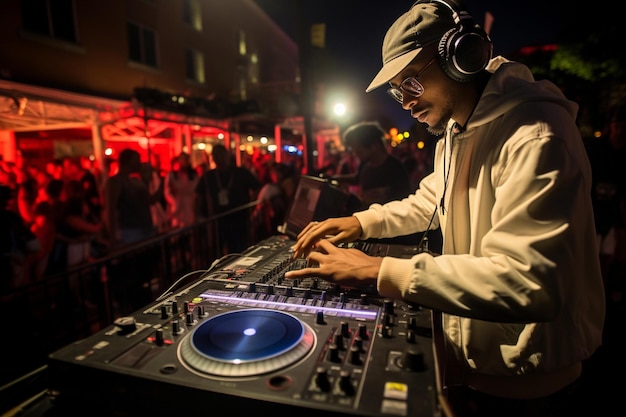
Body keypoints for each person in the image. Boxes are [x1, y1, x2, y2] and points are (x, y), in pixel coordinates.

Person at [286, 1, 605, 416]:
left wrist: (378, 271)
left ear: (461, 56)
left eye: (412, 84)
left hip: (529, 382)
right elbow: (428, 201)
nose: (405, 101)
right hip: (481, 369)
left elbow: (530, 282)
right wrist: (361, 222)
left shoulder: (536, 136)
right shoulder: (457, 130)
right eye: (396, 91)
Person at [195, 144, 261, 255]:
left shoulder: (241, 173)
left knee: (239, 250)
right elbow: (198, 196)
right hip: (218, 221)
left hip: (239, 219)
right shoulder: (209, 176)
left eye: (221, 155)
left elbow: (257, 187)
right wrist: (198, 215)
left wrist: (251, 205)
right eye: (216, 155)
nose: (219, 158)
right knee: (217, 253)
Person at [332, 121, 411, 210]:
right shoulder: (365, 163)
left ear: (375, 146)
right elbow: (358, 178)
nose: (355, 154)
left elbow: (403, 203)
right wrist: (335, 178)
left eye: (359, 151)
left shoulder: (396, 169)